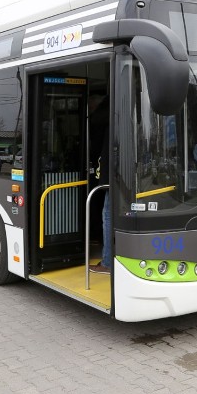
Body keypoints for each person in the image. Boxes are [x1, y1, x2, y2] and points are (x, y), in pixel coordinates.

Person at [88, 94, 112, 275]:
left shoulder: (102, 120)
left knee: (108, 216)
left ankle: (107, 262)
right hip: (121, 177)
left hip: (110, 177)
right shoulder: (117, 116)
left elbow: (97, 149)